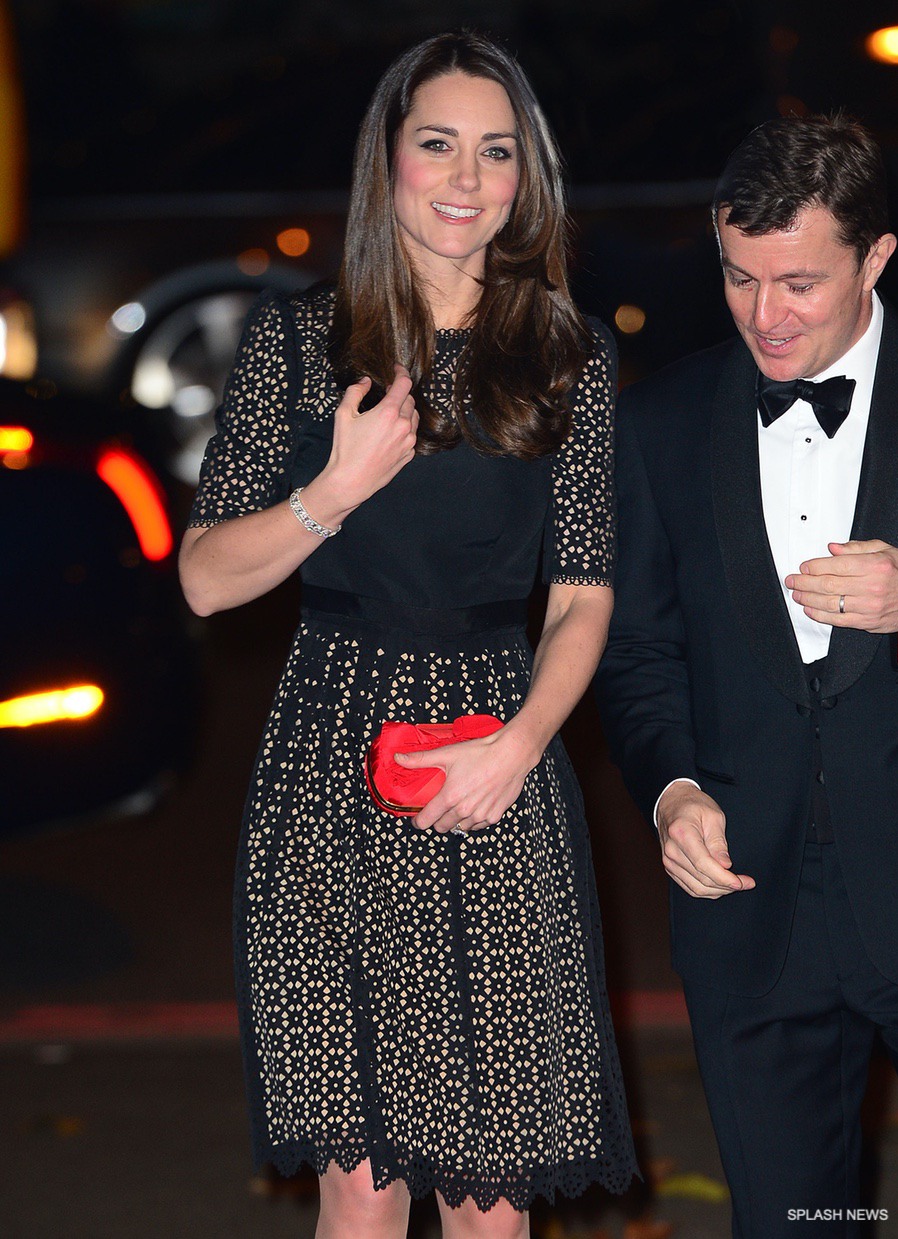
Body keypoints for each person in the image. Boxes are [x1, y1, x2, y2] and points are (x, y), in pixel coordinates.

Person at [180, 30, 636, 1239]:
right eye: (438, 144)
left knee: (487, 1207)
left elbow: (584, 595)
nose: (466, 178)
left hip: (497, 758)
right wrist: (337, 488)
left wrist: (523, 745)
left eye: (496, 152)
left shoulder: (569, 360)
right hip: (324, 770)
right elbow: (208, 582)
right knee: (361, 1194)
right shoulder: (294, 346)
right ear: (389, 163)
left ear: (524, 180)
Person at [594, 112, 898, 1237]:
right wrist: (671, 788)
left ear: (877, 257)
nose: (763, 316)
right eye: (738, 277)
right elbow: (638, 655)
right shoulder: (662, 422)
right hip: (752, 922)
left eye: (800, 285)